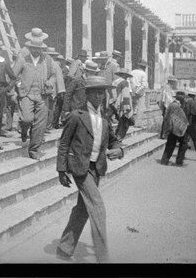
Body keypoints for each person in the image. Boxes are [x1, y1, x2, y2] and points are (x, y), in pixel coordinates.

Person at [55, 75, 124, 263]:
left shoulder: (104, 118)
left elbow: (114, 139)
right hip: (79, 167)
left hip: (96, 167)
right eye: (95, 93)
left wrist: (119, 149)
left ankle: (64, 248)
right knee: (98, 207)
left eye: (101, 93)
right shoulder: (76, 116)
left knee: (83, 209)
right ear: (87, 95)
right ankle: (103, 257)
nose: (99, 97)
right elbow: (63, 144)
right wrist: (61, 170)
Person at [12, 29, 58, 160]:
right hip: (27, 94)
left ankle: (34, 150)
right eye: (34, 48)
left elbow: (54, 75)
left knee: (40, 124)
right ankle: (23, 128)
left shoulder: (48, 60)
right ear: (30, 48)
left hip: (43, 96)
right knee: (26, 119)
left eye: (39, 49)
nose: (36, 51)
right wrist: (18, 85)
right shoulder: (23, 59)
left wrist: (50, 81)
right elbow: (13, 75)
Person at [160, 90, 191, 166]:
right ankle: (179, 161)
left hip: (171, 127)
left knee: (170, 144)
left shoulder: (171, 105)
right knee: (184, 143)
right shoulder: (177, 106)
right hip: (178, 128)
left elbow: (166, 116)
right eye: (183, 98)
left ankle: (164, 160)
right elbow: (181, 117)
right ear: (181, 98)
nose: (184, 100)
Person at [44, 47, 66, 131]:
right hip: (51, 89)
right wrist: (61, 91)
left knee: (47, 108)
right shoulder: (55, 65)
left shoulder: (45, 63)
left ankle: (46, 125)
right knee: (50, 108)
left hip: (48, 89)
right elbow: (60, 79)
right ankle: (47, 125)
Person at [112, 69, 134, 140]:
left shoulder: (115, 82)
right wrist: (127, 108)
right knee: (124, 124)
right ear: (124, 75)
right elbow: (125, 96)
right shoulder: (124, 82)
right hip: (122, 105)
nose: (127, 77)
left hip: (114, 104)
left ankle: (116, 138)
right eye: (126, 75)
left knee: (120, 124)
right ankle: (118, 139)